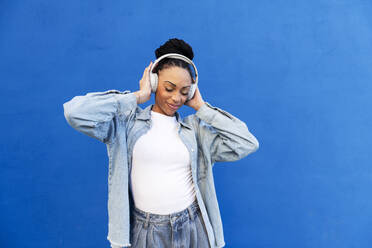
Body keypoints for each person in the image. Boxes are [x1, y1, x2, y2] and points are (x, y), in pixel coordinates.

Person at [63, 38, 259, 248]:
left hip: (193, 227)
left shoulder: (195, 131)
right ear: (155, 82)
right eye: (169, 88)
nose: (176, 98)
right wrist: (138, 96)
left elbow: (247, 142)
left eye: (184, 92)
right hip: (146, 231)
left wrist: (202, 107)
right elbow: (75, 113)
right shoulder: (126, 124)